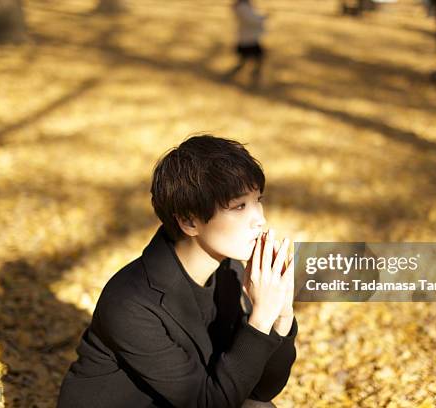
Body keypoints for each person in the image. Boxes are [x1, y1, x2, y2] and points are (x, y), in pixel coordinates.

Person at [57, 135, 298, 408]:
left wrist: (280, 315)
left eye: (258, 201)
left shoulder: (228, 270)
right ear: (188, 221)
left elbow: (260, 391)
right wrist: (260, 318)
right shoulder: (130, 302)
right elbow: (206, 404)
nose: (260, 219)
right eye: (239, 206)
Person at [224, 0, 268, 87]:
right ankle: (254, 79)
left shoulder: (243, 6)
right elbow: (251, 20)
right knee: (254, 60)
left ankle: (254, 78)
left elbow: (251, 18)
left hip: (248, 39)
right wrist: (262, 18)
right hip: (248, 41)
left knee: (249, 61)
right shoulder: (242, 7)